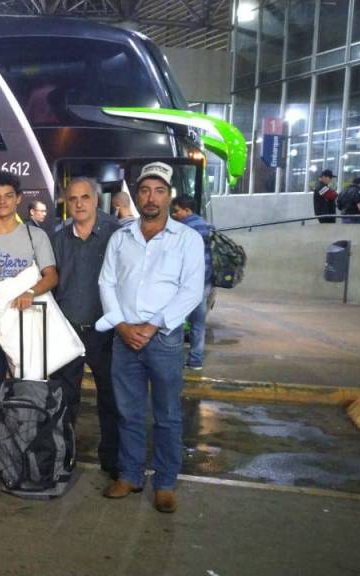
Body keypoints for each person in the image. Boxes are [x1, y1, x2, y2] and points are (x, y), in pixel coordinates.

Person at [97, 162, 204, 514]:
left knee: (167, 415)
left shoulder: (187, 239)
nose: (151, 198)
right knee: (128, 412)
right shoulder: (121, 237)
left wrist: (154, 325)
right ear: (137, 196)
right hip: (124, 337)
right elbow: (106, 282)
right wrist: (121, 325)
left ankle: (165, 482)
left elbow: (191, 291)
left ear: (169, 196)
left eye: (159, 191)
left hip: (164, 339)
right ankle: (130, 475)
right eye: (145, 191)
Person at [0, 171, 58, 475]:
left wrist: (30, 292)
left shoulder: (35, 236)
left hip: (27, 328)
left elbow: (51, 276)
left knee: (27, 390)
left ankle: (27, 451)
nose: (3, 202)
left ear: (19, 199)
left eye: (9, 196)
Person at [51, 177, 122, 479]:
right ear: (67, 203)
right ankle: (63, 458)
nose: (79, 204)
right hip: (67, 332)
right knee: (65, 399)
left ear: (96, 200)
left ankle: (113, 460)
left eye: (85, 197)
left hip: (105, 333)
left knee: (111, 398)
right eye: (73, 199)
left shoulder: (116, 235)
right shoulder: (58, 239)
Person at [171, 195, 213, 370]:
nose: (174, 214)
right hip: (205, 281)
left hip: (188, 283)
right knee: (198, 324)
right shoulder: (207, 225)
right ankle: (196, 361)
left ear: (187, 210)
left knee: (176, 321)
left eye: (177, 211)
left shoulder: (184, 228)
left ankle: (175, 359)